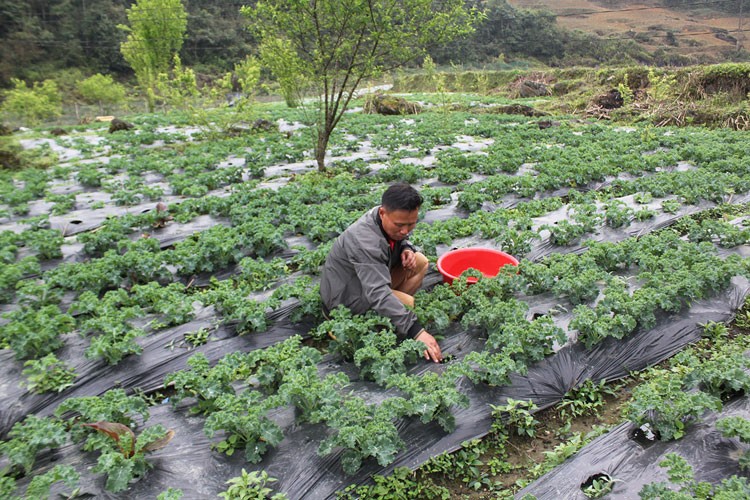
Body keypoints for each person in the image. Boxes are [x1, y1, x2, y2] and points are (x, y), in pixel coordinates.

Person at [320, 182, 443, 363]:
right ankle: (382, 320)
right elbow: (377, 291)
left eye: (411, 224)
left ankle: (390, 313)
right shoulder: (365, 240)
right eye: (400, 225)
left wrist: (405, 248)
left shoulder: (386, 217)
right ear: (383, 213)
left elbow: (401, 236)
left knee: (420, 262)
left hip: (366, 281)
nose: (405, 230)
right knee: (408, 302)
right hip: (344, 301)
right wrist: (416, 331)